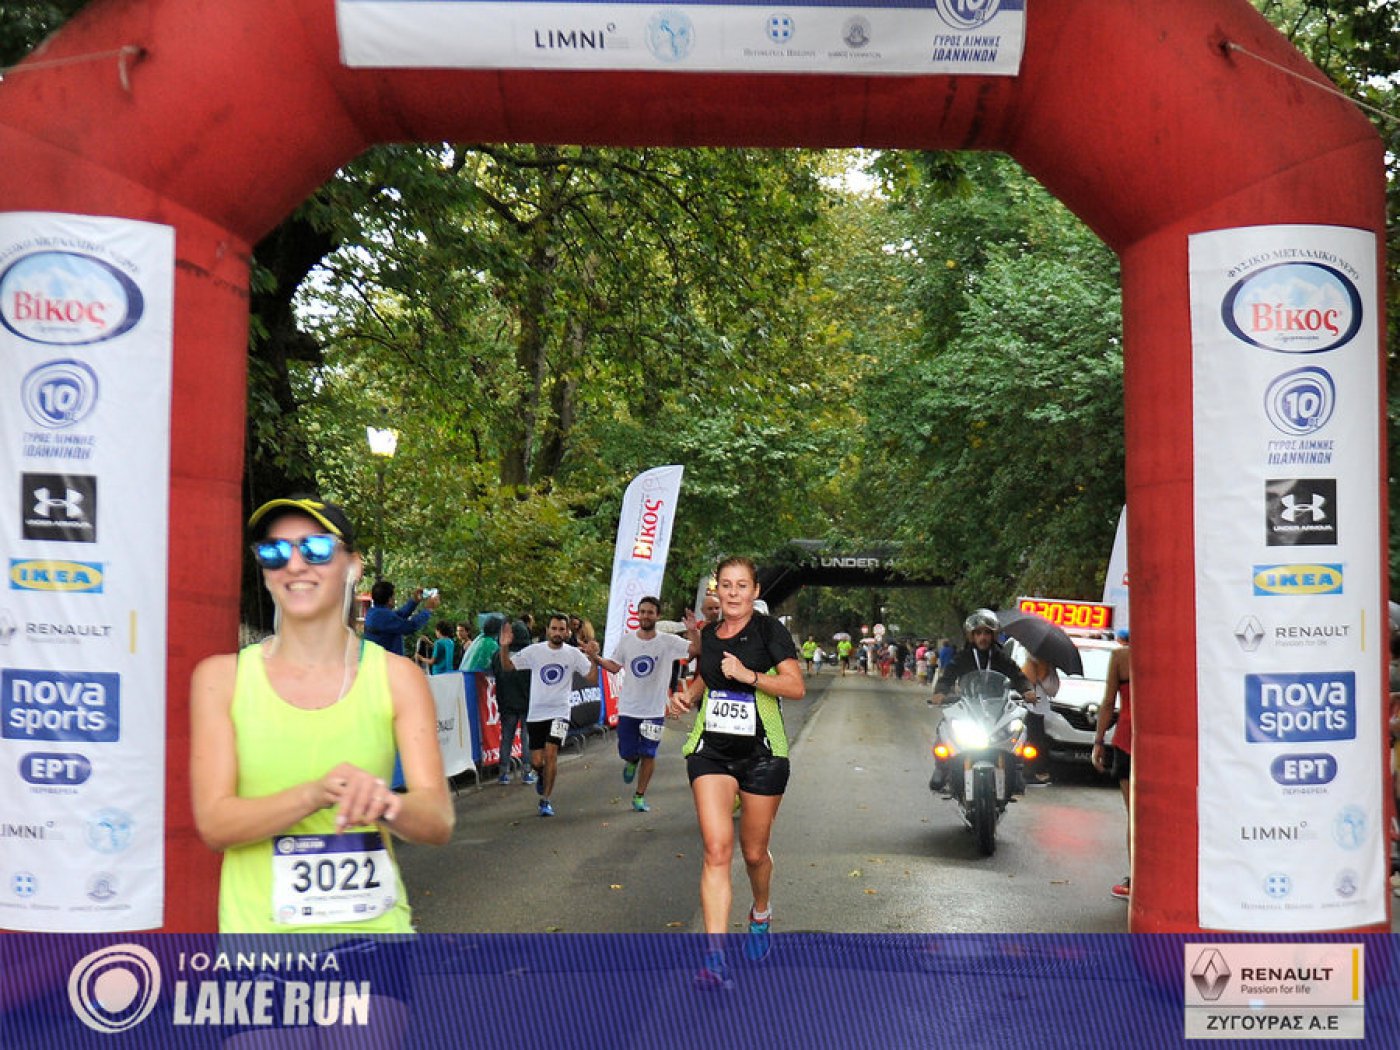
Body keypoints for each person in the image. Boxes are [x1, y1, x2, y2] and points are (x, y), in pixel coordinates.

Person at [189, 495, 453, 932]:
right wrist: (314, 794)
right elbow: (215, 824)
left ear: (353, 566)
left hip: (373, 944)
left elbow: (437, 820)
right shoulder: (221, 679)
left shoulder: (397, 677)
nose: (294, 564)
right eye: (275, 552)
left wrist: (386, 804)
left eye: (315, 548)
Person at [667, 556, 804, 988]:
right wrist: (687, 697)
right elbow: (708, 679)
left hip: (763, 754)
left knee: (754, 853)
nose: (732, 592)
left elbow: (795, 686)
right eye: (725, 585)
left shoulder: (769, 631)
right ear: (717, 590)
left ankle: (760, 912)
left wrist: (749, 675)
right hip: (712, 753)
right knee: (716, 850)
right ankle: (715, 959)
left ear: (755, 591)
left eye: (741, 585)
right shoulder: (708, 635)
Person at [596, 596, 692, 812]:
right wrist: (595, 658)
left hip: (654, 710)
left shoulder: (668, 641)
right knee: (627, 751)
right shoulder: (627, 641)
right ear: (638, 615)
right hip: (629, 708)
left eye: (650, 612)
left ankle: (639, 795)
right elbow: (614, 667)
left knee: (649, 753)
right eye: (642, 612)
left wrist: (693, 630)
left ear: (657, 616)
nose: (646, 616)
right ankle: (631, 760)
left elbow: (695, 650)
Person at [499, 613, 600, 816]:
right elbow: (508, 666)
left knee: (551, 753)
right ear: (547, 630)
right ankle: (541, 774)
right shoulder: (535, 651)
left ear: (567, 632)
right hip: (536, 713)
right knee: (537, 761)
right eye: (554, 628)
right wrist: (504, 647)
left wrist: (594, 659)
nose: (557, 633)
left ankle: (545, 800)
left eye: (561, 629)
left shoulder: (573, 654)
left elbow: (591, 679)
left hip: (560, 712)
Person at [930, 610, 1035, 790]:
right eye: (978, 633)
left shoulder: (1001, 657)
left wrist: (1027, 690)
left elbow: (1017, 675)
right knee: (944, 726)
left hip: (997, 706)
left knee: (1020, 728)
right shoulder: (963, 656)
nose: (983, 637)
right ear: (971, 636)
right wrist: (940, 692)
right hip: (968, 704)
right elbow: (948, 676)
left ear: (993, 635)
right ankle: (941, 768)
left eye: (987, 633)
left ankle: (1017, 769)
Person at [1092, 629, 1132, 901]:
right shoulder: (1168, 655)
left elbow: (1108, 702)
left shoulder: (1120, 657)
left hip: (1128, 740)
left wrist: (1098, 741)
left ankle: (1136, 880)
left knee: (1135, 815)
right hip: (1162, 742)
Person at [493, 618, 537, 786]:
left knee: (507, 737)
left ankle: (503, 773)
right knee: (527, 737)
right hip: (527, 701)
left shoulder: (498, 655)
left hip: (506, 703)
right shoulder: (529, 656)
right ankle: (527, 772)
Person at [363, 579, 439, 656]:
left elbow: (399, 615)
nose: (394, 599)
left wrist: (414, 601)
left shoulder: (373, 613)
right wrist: (428, 609)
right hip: (388, 661)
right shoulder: (384, 616)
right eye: (393, 596)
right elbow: (411, 626)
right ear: (389, 599)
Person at [1021, 653, 1059, 784]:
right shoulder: (1029, 662)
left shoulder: (1047, 665)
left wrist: (1044, 670)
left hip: (1040, 709)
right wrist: (1037, 669)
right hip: (1030, 709)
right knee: (1031, 741)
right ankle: (1029, 772)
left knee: (1037, 742)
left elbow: (1052, 690)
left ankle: (1033, 771)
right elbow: (1026, 682)